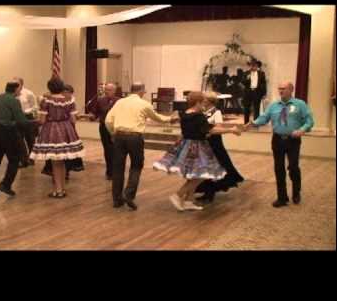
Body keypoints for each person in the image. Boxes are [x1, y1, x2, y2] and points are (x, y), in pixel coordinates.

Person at [153, 92, 242, 212]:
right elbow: (212, 129)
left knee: (195, 174)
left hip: (186, 145)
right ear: (198, 103)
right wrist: (231, 130)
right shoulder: (198, 116)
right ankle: (178, 195)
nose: (204, 105)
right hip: (197, 146)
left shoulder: (184, 113)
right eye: (202, 102)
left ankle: (189, 200)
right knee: (203, 174)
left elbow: (183, 125)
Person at [105, 82, 179, 211]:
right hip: (135, 137)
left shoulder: (120, 102)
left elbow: (108, 120)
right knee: (136, 166)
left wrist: (113, 133)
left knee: (117, 168)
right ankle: (129, 194)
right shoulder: (144, 104)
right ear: (141, 91)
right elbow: (157, 117)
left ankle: (117, 200)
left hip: (119, 137)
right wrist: (170, 119)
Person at [244, 82, 314, 207]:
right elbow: (264, 118)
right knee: (279, 168)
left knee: (293, 167)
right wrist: (253, 123)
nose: (281, 91)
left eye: (284, 88)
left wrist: (302, 130)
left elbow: (309, 121)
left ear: (291, 89)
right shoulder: (273, 106)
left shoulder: (300, 104)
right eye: (279, 88)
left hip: (293, 140)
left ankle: (296, 192)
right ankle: (282, 197)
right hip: (277, 140)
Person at [30, 77, 85, 199]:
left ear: (49, 87)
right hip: (66, 129)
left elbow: (42, 120)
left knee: (55, 162)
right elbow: (73, 119)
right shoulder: (69, 100)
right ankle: (61, 189)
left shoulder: (46, 100)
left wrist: (35, 121)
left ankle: (58, 190)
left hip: (51, 130)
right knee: (62, 161)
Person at [195, 92, 245, 203]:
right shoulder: (203, 112)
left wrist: (209, 132)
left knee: (215, 167)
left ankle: (210, 193)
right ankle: (207, 191)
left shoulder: (216, 112)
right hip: (205, 143)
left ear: (210, 101)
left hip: (214, 143)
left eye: (205, 99)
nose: (203, 100)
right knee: (206, 168)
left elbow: (219, 127)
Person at [0, 81, 30, 197]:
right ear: (15, 90)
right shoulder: (14, 101)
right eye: (19, 89)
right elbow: (20, 120)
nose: (20, 91)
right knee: (14, 160)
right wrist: (34, 123)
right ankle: (6, 184)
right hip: (8, 132)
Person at [41, 84, 85, 180]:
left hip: (64, 130)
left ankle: (61, 176)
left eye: (70, 93)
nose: (68, 94)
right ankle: (57, 175)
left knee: (65, 154)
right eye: (67, 92)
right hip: (63, 130)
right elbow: (73, 118)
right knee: (58, 153)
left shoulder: (67, 100)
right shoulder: (53, 99)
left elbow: (73, 118)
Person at [89, 83, 120, 180]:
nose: (107, 92)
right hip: (104, 128)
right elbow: (95, 114)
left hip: (116, 128)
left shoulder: (120, 101)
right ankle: (109, 171)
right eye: (106, 89)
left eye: (110, 90)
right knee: (107, 150)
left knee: (116, 150)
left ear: (114, 91)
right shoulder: (100, 100)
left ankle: (116, 171)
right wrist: (92, 117)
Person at [14, 77, 38, 166]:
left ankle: (31, 159)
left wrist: (26, 111)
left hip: (27, 117)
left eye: (16, 83)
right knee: (18, 139)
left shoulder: (29, 93)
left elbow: (35, 107)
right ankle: (23, 159)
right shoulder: (12, 94)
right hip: (16, 118)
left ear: (21, 84)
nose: (14, 85)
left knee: (30, 139)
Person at [243, 60, 267, 124]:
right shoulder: (246, 73)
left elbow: (264, 83)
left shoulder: (261, 73)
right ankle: (246, 123)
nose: (253, 66)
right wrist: (248, 77)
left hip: (257, 92)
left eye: (254, 65)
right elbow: (243, 83)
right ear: (250, 66)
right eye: (251, 65)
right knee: (246, 108)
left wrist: (264, 93)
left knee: (256, 108)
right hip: (248, 92)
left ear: (257, 66)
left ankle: (256, 123)